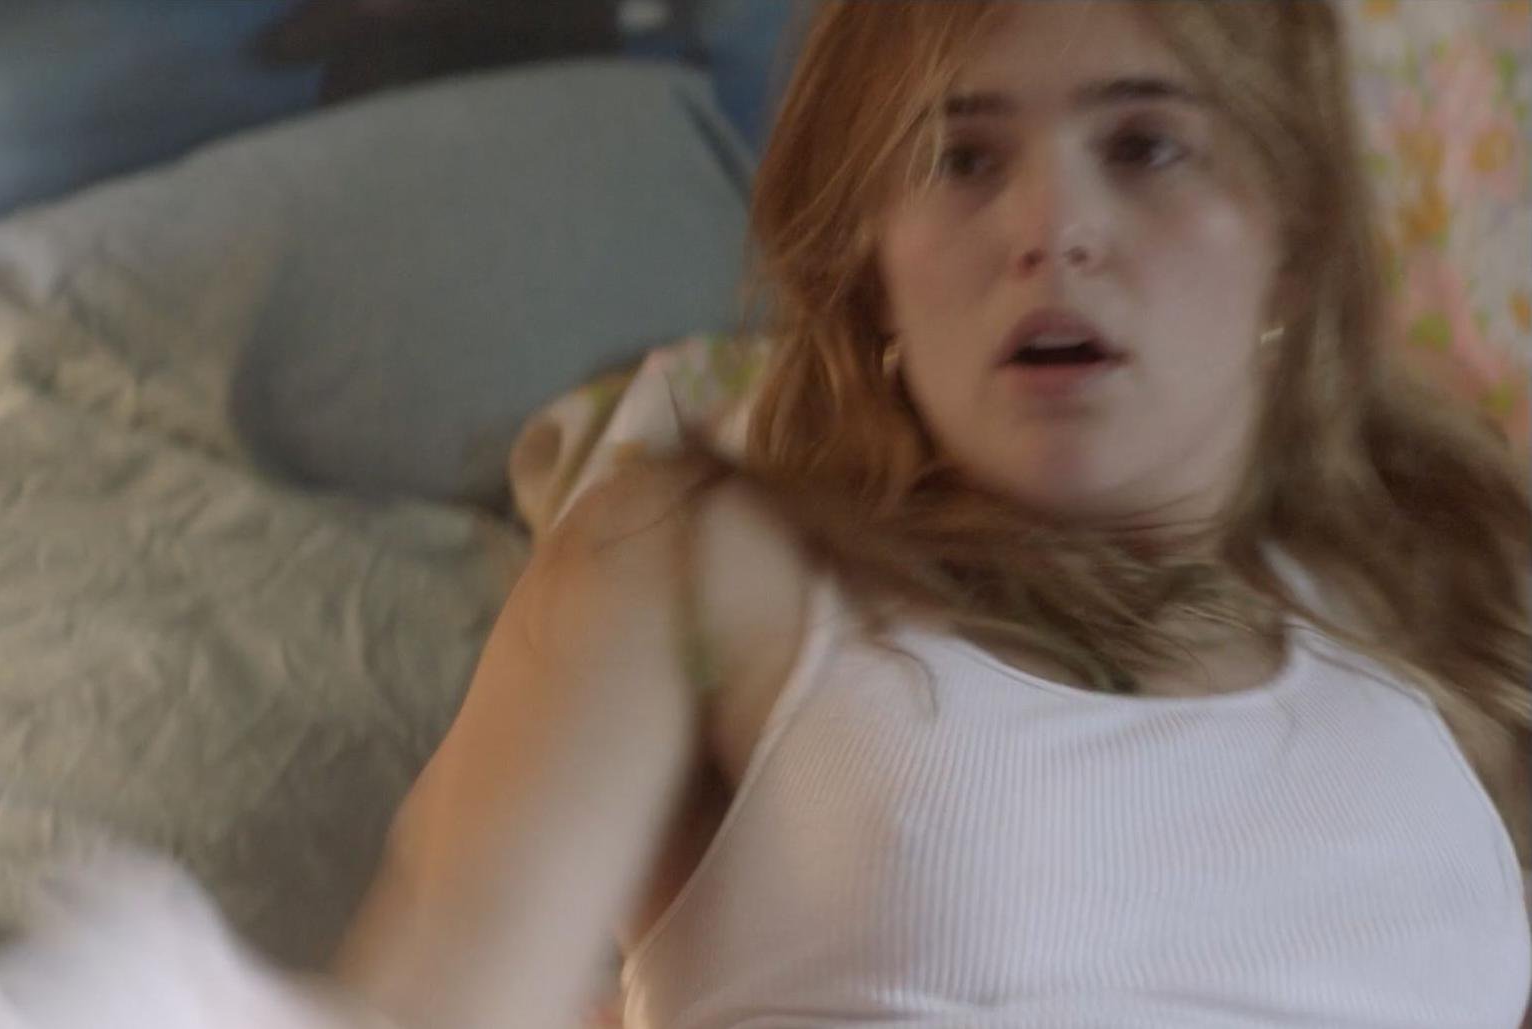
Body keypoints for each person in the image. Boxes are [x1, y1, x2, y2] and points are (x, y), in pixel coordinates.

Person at [332, 2, 1532, 1027]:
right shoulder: (697, 571)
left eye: (1145, 146)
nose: (1050, 230)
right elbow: (444, 992)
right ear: (872, 262)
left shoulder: (1459, 625)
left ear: (1293, 234)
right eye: (962, 159)